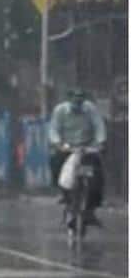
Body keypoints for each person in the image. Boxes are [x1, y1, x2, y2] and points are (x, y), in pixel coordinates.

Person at [48, 87, 107, 227]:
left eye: (81, 100)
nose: (78, 103)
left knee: (97, 176)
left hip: (87, 149)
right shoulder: (60, 111)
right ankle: (63, 194)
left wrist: (100, 142)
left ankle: (91, 209)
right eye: (75, 99)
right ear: (69, 99)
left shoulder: (90, 109)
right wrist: (58, 143)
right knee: (56, 163)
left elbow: (99, 126)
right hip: (67, 148)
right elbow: (54, 130)